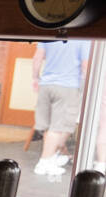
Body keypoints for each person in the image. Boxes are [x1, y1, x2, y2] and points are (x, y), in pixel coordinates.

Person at [32, 39, 91, 178]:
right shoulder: (84, 39)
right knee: (59, 127)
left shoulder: (50, 35)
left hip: (46, 85)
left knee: (49, 127)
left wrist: (35, 78)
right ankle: (44, 162)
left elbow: (37, 58)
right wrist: (86, 86)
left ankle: (51, 156)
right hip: (67, 86)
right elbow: (85, 65)